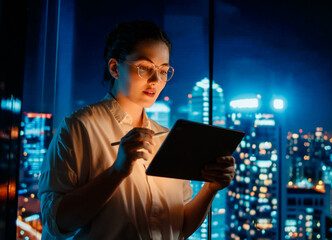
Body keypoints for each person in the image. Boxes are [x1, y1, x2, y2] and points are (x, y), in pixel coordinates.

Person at [38, 20, 236, 240]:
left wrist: (210, 188)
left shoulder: (167, 138)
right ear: (114, 68)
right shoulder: (79, 127)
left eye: (163, 70)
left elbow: (179, 229)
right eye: (144, 68)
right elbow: (56, 222)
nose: (156, 80)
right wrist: (117, 171)